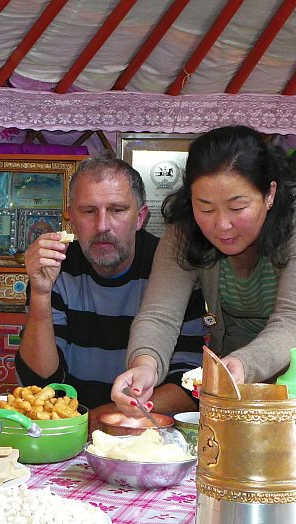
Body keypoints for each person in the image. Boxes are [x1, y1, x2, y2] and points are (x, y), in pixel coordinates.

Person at [113, 125, 296, 411]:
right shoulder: (185, 225)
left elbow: (295, 320)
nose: (222, 225)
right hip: (241, 372)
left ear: (269, 194)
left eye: (237, 207)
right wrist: (145, 366)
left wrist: (242, 364)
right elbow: (159, 315)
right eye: (206, 208)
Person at [17, 157, 203, 421]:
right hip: (69, 427)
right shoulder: (57, 268)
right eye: (89, 211)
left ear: (140, 218)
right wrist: (40, 293)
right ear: (71, 219)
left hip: (147, 431)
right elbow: (39, 382)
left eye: (117, 210)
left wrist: (106, 416)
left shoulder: (172, 269)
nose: (102, 225)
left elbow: (190, 385)